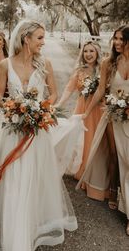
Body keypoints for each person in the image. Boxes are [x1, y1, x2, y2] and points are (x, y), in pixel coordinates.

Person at [0, 20, 85, 250]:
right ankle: (15, 230)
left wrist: (40, 109)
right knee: (15, 177)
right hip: (13, 132)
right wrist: (15, 111)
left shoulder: (45, 63)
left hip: (36, 132)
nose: (43, 42)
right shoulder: (5, 64)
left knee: (34, 175)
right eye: (40, 38)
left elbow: (53, 93)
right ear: (26, 39)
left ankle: (31, 222)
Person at [80, 25, 129, 234]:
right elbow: (101, 89)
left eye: (121, 39)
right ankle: (116, 195)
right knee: (117, 157)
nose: (117, 42)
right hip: (114, 117)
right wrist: (86, 112)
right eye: (115, 39)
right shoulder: (109, 63)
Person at [56, 41, 111, 201]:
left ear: (97, 53)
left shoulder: (103, 69)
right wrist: (59, 104)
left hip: (98, 111)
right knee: (84, 141)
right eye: (85, 51)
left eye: (91, 51)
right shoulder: (79, 71)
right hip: (82, 110)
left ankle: (95, 177)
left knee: (98, 142)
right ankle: (83, 172)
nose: (88, 54)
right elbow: (69, 88)